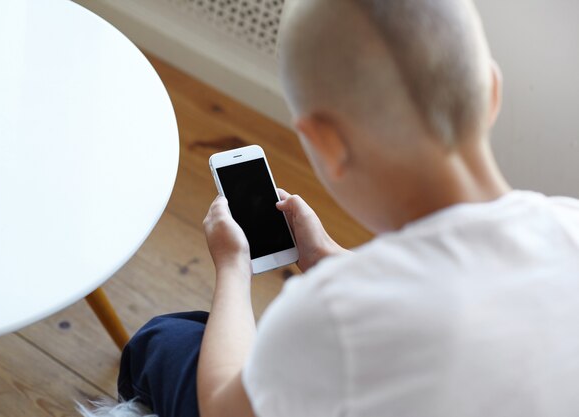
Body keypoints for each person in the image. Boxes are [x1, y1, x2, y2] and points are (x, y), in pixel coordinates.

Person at [79, 0, 579, 416]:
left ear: (326, 143)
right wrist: (325, 256)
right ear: (492, 91)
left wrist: (233, 267)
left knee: (163, 338)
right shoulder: (569, 227)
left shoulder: (336, 315)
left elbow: (222, 408)